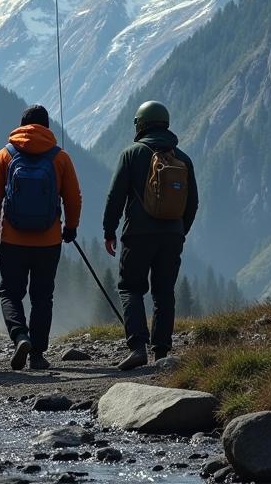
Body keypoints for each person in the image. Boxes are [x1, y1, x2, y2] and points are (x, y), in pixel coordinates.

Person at [102, 100, 199, 370]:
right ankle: (161, 352)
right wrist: (180, 231)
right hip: (172, 236)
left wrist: (109, 230)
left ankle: (137, 347)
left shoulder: (131, 154)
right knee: (164, 292)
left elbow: (115, 197)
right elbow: (192, 203)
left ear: (140, 125)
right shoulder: (183, 158)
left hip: (137, 235)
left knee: (130, 288)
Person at [0, 104, 81, 370]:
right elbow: (73, 197)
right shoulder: (60, 158)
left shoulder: (5, 155)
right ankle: (37, 354)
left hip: (13, 240)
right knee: (42, 297)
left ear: (21, 125)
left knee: (10, 294)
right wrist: (70, 227)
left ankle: (20, 336)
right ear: (47, 128)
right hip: (48, 241)